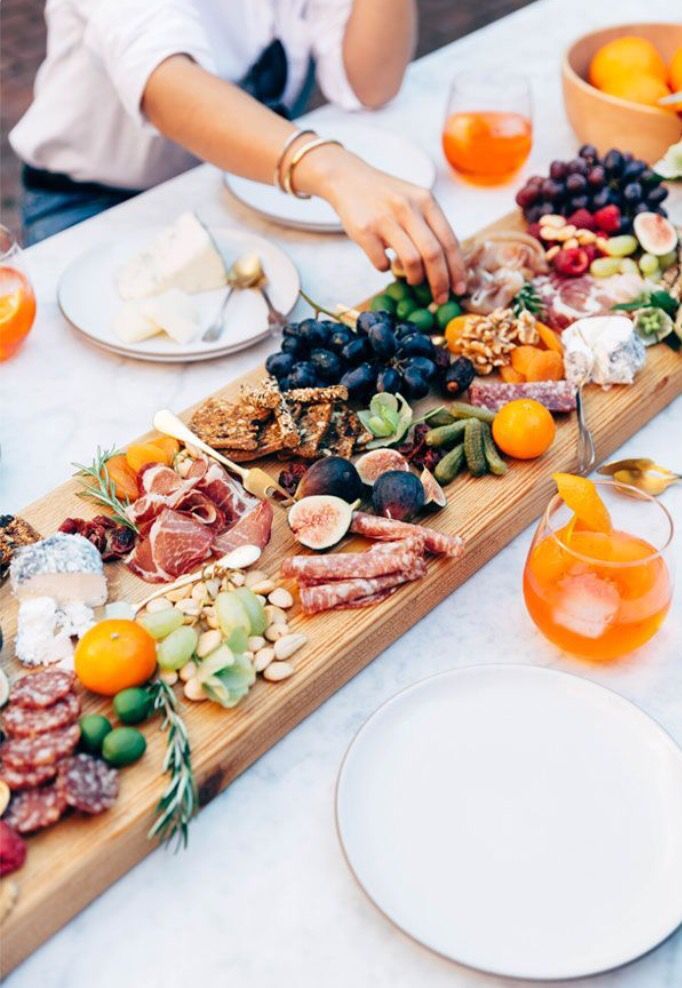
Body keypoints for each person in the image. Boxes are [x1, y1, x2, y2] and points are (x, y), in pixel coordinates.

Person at [10, 0, 465, 301]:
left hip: (245, 191)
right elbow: (162, 82)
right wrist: (334, 170)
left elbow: (372, 83)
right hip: (97, 203)